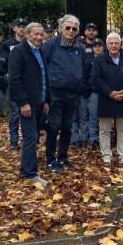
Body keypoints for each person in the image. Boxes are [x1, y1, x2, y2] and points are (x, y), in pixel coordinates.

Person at [41, 15, 85, 173]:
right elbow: (42, 67)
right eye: (67, 27)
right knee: (53, 126)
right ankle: (50, 160)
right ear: (61, 28)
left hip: (73, 94)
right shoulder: (50, 45)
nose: (70, 31)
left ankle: (63, 158)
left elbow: (83, 68)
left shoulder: (79, 47)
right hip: (55, 93)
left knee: (67, 127)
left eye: (74, 28)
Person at [9, 22, 50, 185]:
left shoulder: (40, 50)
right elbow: (14, 79)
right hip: (27, 103)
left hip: (40, 101)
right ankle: (29, 174)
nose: (39, 37)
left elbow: (44, 76)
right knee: (30, 137)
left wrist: (46, 100)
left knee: (35, 137)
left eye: (41, 34)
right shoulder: (18, 51)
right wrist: (23, 103)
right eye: (35, 34)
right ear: (27, 35)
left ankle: (27, 169)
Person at [92, 32, 123, 167]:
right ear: (106, 45)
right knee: (104, 130)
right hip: (106, 98)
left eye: (116, 43)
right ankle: (106, 155)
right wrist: (110, 92)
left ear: (120, 44)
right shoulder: (99, 60)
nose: (114, 45)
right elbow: (96, 79)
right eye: (111, 43)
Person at [4, 19, 27, 150]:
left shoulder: (29, 43)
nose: (22, 29)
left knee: (27, 112)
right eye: (19, 26)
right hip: (13, 83)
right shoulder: (7, 44)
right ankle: (13, 141)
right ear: (14, 28)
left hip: (27, 83)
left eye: (24, 26)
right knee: (14, 113)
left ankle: (26, 140)